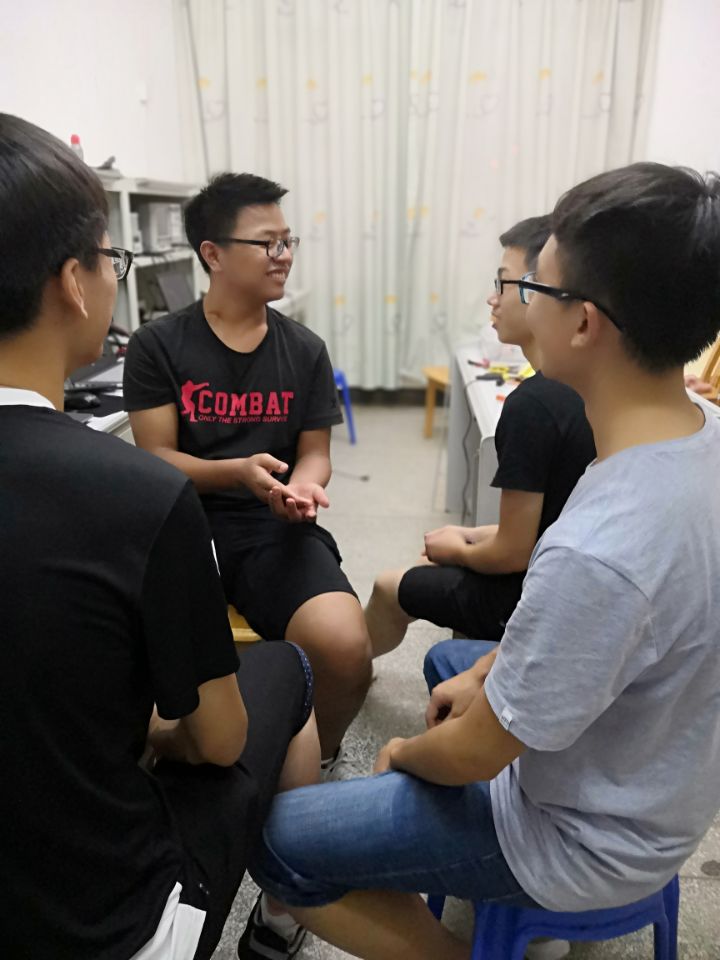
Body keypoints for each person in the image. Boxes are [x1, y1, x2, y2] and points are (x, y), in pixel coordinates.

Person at [236, 162, 720, 960]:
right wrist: (493, 670)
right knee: (453, 667)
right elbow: (587, 634)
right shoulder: (696, 435)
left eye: (534, 286)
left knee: (277, 836)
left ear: (584, 323)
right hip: (658, 787)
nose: (516, 300)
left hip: (578, 842)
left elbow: (473, 755)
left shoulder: (601, 550)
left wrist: (399, 757)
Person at [0, 113, 319, 960]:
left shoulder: (299, 348)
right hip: (105, 925)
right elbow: (216, 742)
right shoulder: (139, 493)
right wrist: (152, 734)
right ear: (74, 282)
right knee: (288, 668)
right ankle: (280, 924)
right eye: (114, 259)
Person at [123, 173, 372, 765]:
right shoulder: (158, 345)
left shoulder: (304, 348)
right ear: (213, 254)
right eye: (267, 243)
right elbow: (156, 458)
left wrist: (303, 486)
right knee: (137, 666)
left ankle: (320, 754)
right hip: (179, 527)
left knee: (345, 647)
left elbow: (316, 451)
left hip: (272, 527)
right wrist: (238, 471)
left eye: (288, 241)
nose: (283, 255)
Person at [365, 216, 595, 656]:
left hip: (534, 597)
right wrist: (468, 537)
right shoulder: (589, 385)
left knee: (388, 584)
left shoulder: (534, 405)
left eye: (502, 283)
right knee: (443, 550)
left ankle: (343, 679)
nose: (493, 298)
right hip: (566, 576)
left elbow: (513, 553)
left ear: (538, 289)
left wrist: (459, 549)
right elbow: (551, 520)